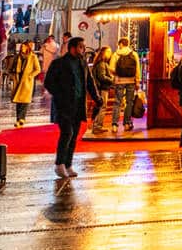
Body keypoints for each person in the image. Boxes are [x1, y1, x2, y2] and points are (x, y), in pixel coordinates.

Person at [42, 35, 89, 179]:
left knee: (74, 135)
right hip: (64, 105)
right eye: (81, 47)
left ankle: (68, 164)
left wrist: (97, 97)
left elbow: (89, 81)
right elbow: (49, 82)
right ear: (73, 48)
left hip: (78, 104)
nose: (83, 49)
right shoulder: (59, 63)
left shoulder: (82, 63)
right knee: (67, 133)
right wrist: (60, 95)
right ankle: (59, 163)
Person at [111, 41, 141, 133]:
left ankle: (115, 125)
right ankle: (127, 123)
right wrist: (137, 81)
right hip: (131, 80)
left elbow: (111, 68)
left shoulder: (116, 54)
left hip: (119, 80)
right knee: (129, 102)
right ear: (127, 44)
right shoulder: (134, 54)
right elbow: (137, 69)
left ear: (120, 44)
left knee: (117, 102)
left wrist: (116, 75)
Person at [10, 42, 41, 125]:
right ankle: (18, 119)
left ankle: (22, 118)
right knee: (18, 101)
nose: (22, 48)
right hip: (18, 80)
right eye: (21, 47)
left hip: (26, 81)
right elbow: (11, 68)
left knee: (24, 101)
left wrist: (30, 76)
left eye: (23, 47)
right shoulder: (17, 57)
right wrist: (13, 76)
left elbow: (38, 69)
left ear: (27, 48)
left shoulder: (33, 57)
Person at [88, 47, 114, 136]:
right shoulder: (102, 64)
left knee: (101, 106)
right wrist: (112, 79)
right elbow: (102, 77)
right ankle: (97, 126)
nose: (110, 54)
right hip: (102, 88)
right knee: (102, 107)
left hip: (101, 87)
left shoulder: (100, 63)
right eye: (109, 52)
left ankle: (97, 125)